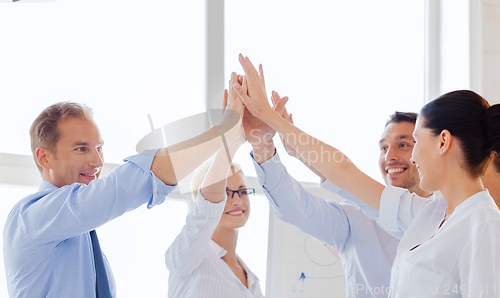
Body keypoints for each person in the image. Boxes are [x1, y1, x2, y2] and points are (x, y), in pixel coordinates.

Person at [235, 54, 500, 298]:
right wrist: (276, 129)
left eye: (414, 142)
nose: (413, 156)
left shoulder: (484, 226)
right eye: (383, 148)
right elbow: (344, 172)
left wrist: (270, 117)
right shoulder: (430, 215)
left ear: (443, 141)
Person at [3, 84, 244, 298]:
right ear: (44, 157)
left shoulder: (78, 230)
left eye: (99, 148)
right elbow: (131, 183)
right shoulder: (33, 217)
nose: (97, 161)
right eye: (81, 149)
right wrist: (223, 132)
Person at [243, 86, 428, 296]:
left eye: (403, 145)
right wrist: (262, 144)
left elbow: (343, 172)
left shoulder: (445, 215)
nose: (389, 157)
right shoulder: (354, 219)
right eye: (383, 148)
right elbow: (293, 207)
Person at [165, 83, 265, 298]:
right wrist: (229, 140)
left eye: (242, 191)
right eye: (226, 193)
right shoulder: (189, 257)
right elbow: (206, 209)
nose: (237, 200)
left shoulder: (252, 279)